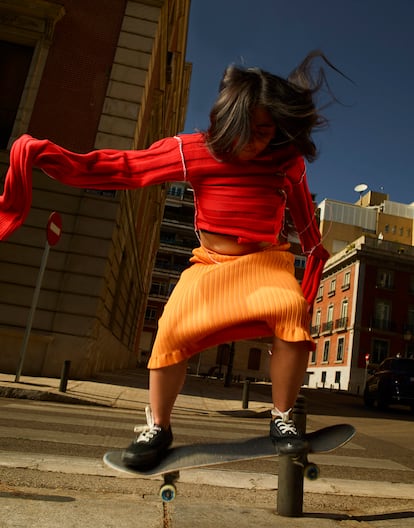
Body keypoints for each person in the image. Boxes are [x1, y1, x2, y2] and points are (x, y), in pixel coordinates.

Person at [0, 50, 339, 470]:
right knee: (171, 329)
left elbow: (305, 217)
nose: (255, 140)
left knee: (290, 311)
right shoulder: (192, 151)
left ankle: (283, 419)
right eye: (246, 129)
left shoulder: (286, 162)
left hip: (265, 263)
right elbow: (126, 168)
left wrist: (315, 249)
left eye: (266, 131)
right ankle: (158, 426)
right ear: (227, 120)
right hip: (210, 264)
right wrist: (49, 157)